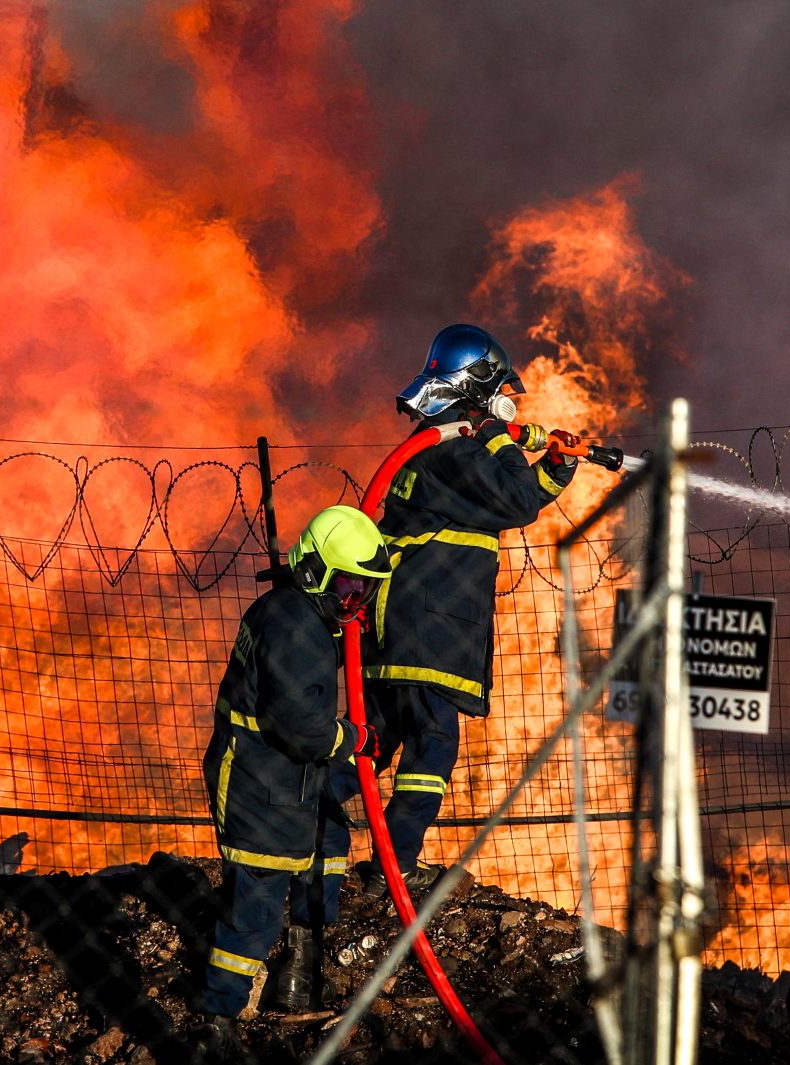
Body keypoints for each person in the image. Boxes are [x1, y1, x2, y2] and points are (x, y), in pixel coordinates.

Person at [352, 323, 581, 899]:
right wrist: (502, 436)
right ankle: (394, 867)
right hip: (422, 621)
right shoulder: (453, 449)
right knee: (433, 741)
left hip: (412, 620)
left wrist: (553, 466)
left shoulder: (450, 450)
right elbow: (513, 500)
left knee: (375, 740)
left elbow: (505, 505)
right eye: (500, 389)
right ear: (477, 386)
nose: (508, 401)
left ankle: (305, 820)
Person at [191, 504, 390, 1055]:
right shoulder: (294, 627)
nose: (356, 603)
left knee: (326, 852)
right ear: (314, 571)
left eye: (364, 590)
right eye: (349, 588)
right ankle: (216, 1022)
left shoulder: (301, 616)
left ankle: (298, 975)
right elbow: (301, 727)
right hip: (260, 778)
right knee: (256, 898)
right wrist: (354, 740)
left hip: (293, 778)